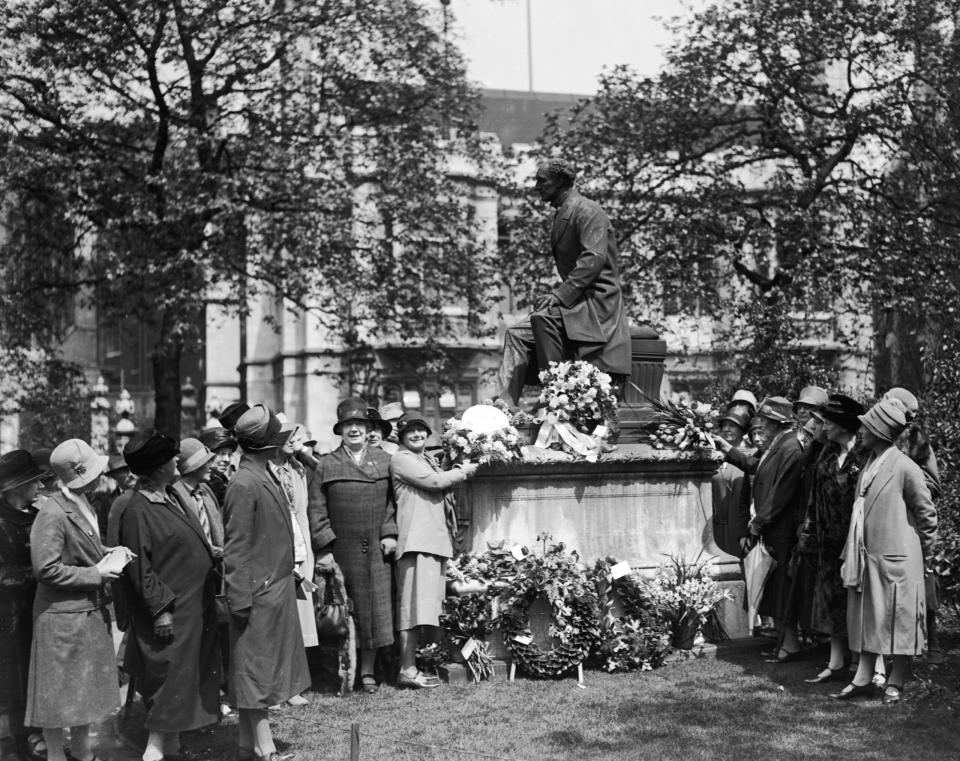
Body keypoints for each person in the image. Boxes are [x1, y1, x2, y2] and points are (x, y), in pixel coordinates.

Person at [25, 439, 132, 761]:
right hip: (61, 619)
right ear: (80, 474)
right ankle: (57, 756)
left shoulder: (83, 502)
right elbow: (46, 568)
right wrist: (97, 574)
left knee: (85, 695)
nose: (102, 475)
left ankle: (84, 753)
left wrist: (109, 554)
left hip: (83, 613)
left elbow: (82, 550)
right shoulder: (53, 513)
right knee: (56, 700)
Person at [117, 430, 220, 761]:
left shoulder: (170, 495)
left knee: (185, 677)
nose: (178, 460)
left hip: (192, 608)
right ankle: (155, 750)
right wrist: (160, 610)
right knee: (169, 681)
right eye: (171, 457)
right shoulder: (137, 509)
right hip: (171, 612)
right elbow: (138, 566)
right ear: (159, 466)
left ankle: (171, 747)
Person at [496, 158, 632, 406]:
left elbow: (593, 258)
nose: (537, 186)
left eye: (542, 180)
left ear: (559, 181)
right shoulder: (564, 213)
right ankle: (502, 405)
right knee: (516, 333)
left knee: (543, 317)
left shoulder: (588, 211)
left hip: (596, 301)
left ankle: (554, 393)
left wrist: (559, 295)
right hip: (576, 302)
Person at [831, 400, 937, 703]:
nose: (860, 430)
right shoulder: (869, 463)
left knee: (899, 620)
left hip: (898, 560)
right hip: (867, 557)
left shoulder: (905, 466)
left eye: (866, 426)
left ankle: (897, 680)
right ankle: (863, 677)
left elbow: (927, 515)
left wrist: (926, 558)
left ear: (879, 430)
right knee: (868, 619)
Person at [223, 405, 309, 761]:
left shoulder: (259, 472)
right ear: (268, 444)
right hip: (257, 593)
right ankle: (265, 748)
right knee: (255, 672)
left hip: (271, 588)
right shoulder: (245, 482)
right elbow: (236, 548)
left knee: (256, 670)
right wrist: (242, 598)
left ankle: (248, 743)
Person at [309, 398, 398, 694]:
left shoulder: (385, 461)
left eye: (359, 424)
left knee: (374, 610)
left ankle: (369, 671)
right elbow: (317, 510)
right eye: (348, 425)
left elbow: (392, 504)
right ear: (340, 430)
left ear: (368, 427)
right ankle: (347, 669)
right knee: (347, 611)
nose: (355, 429)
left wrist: (389, 533)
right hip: (342, 551)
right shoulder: (326, 464)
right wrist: (324, 549)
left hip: (376, 548)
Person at [390, 411, 478, 688]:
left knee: (426, 608)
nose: (416, 435)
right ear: (402, 437)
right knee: (412, 609)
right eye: (410, 432)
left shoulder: (425, 458)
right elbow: (435, 482)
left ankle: (420, 664)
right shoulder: (402, 459)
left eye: (421, 430)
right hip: (416, 542)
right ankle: (406, 668)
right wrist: (463, 471)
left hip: (431, 541)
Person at [719, 397, 804, 662]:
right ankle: (784, 642)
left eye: (765, 421)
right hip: (774, 529)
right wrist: (727, 450)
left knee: (781, 588)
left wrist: (758, 523)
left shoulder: (790, 447)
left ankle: (790, 645)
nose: (761, 426)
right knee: (774, 589)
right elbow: (758, 467)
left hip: (781, 530)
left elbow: (781, 493)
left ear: (776, 423)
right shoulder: (779, 445)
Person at [796, 395, 866, 685]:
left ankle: (864, 665)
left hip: (855, 542)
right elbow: (813, 499)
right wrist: (809, 535)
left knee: (857, 604)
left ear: (842, 426)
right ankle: (836, 663)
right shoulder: (824, 455)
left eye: (827, 422)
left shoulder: (863, 455)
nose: (821, 427)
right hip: (827, 542)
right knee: (830, 601)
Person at [882, 387, 944, 663]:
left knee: (925, 578)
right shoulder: (880, 435)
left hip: (913, 519)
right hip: (886, 520)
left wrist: (906, 480)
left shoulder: (916, 438)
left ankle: (934, 644)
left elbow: (934, 484)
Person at [0, 451, 47, 761]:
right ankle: (22, 744)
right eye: (34, 480)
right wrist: (44, 572)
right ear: (17, 486)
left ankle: (39, 737)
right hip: (11, 615)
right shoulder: (2, 522)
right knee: (16, 679)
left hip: (35, 608)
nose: (40, 485)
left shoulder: (33, 515)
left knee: (37, 675)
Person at [273, 421, 317, 705]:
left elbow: (319, 469)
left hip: (301, 547)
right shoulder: (266, 471)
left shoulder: (297, 468)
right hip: (277, 549)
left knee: (298, 621)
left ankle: (293, 687)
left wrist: (302, 452)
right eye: (286, 435)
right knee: (276, 621)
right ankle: (274, 688)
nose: (292, 439)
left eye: (295, 435)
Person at [710, 409, 752, 559]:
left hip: (740, 522)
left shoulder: (751, 455)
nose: (727, 429)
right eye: (724, 425)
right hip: (717, 522)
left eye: (732, 425)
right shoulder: (712, 455)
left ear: (742, 430)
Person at [198, 427, 239, 507]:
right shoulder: (199, 484)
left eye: (230, 455)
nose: (227, 459)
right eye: (222, 454)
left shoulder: (223, 481)